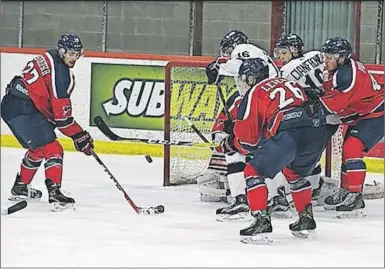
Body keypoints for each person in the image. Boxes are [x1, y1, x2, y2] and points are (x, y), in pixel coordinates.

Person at [218, 57, 330, 243]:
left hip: (289, 134)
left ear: (252, 79)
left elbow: (249, 140)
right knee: (293, 173)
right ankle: (306, 220)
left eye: (244, 78)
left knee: (253, 171)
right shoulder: (288, 82)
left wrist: (231, 141)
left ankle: (261, 220)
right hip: (317, 132)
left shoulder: (254, 92)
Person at [198, 30, 291, 221]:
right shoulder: (257, 60)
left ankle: (241, 200)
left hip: (265, 101)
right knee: (269, 150)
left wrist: (218, 67)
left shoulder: (244, 51)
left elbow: (239, 67)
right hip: (278, 106)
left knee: (234, 150)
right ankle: (278, 198)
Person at [1, 33, 94, 211]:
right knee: (53, 149)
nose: (74, 58)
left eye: (77, 54)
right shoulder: (62, 75)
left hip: (10, 104)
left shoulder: (49, 55)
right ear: (62, 51)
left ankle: (21, 187)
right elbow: (62, 120)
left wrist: (75, 133)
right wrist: (80, 136)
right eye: (70, 54)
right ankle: (55, 194)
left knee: (39, 148)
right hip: (24, 108)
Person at [319, 37, 384, 218]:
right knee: (347, 151)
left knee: (352, 147)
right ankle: (346, 190)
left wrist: (313, 108)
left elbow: (333, 105)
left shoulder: (346, 76)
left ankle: (355, 195)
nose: (326, 59)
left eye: (330, 56)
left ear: (342, 57)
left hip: (376, 113)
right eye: (326, 55)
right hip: (363, 112)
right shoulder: (342, 69)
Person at [274, 33, 340, 204]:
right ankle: (314, 187)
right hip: (332, 115)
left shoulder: (286, 71)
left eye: (283, 52)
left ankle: (309, 188)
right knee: (313, 153)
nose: (281, 56)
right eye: (279, 52)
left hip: (310, 119)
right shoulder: (317, 55)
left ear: (294, 50)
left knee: (302, 154)